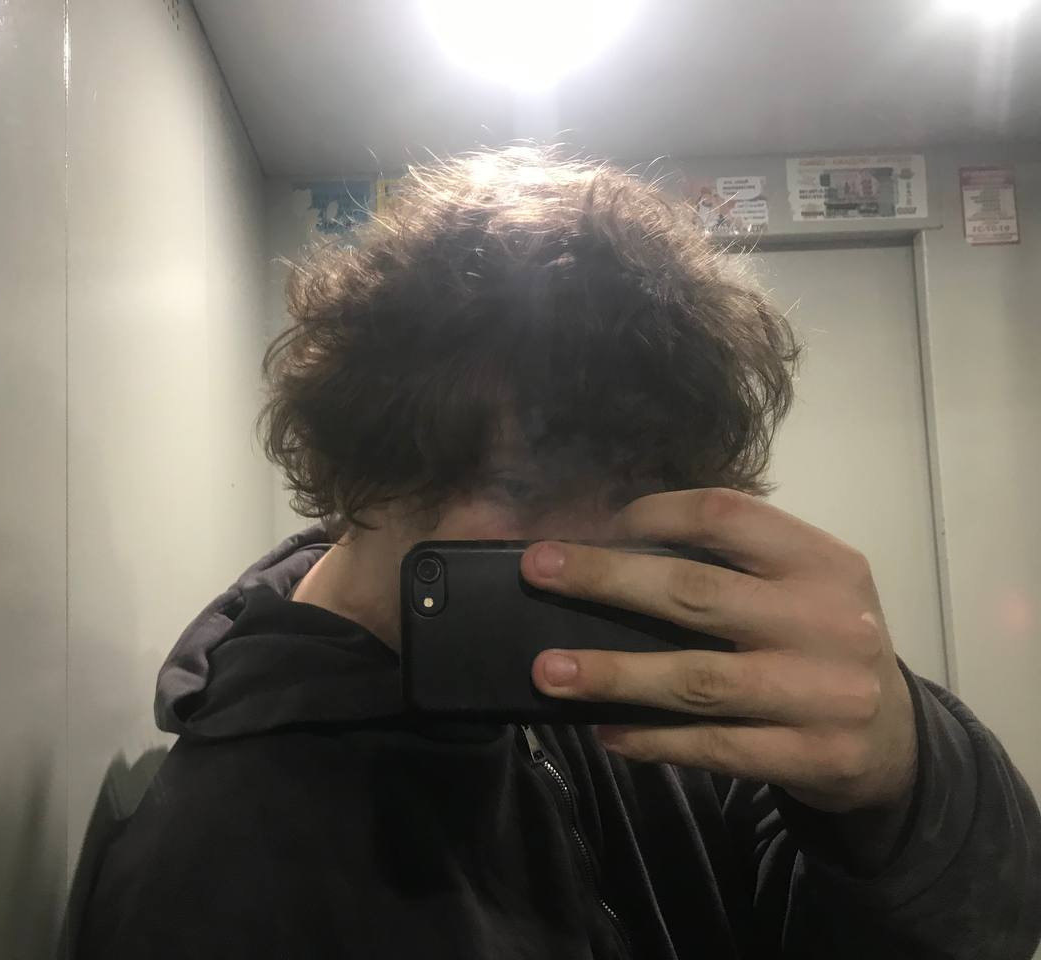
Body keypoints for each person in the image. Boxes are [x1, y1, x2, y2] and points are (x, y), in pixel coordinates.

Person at [78, 147, 1041, 959]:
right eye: (522, 487)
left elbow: (973, 928)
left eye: (627, 499)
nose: (584, 553)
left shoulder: (633, 689)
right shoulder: (217, 868)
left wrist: (903, 785)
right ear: (369, 468)